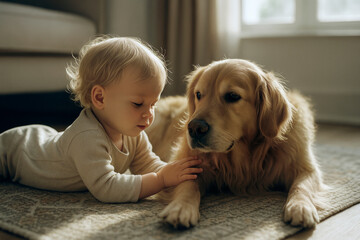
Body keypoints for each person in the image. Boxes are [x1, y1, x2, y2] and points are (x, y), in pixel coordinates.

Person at [0, 36, 202, 203]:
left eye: (153, 104)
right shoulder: (87, 137)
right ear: (99, 97)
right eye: (138, 104)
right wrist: (160, 179)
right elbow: (108, 188)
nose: (149, 114)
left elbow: (148, 164)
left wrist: (175, 174)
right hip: (18, 149)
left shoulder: (132, 133)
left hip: (47, 138)